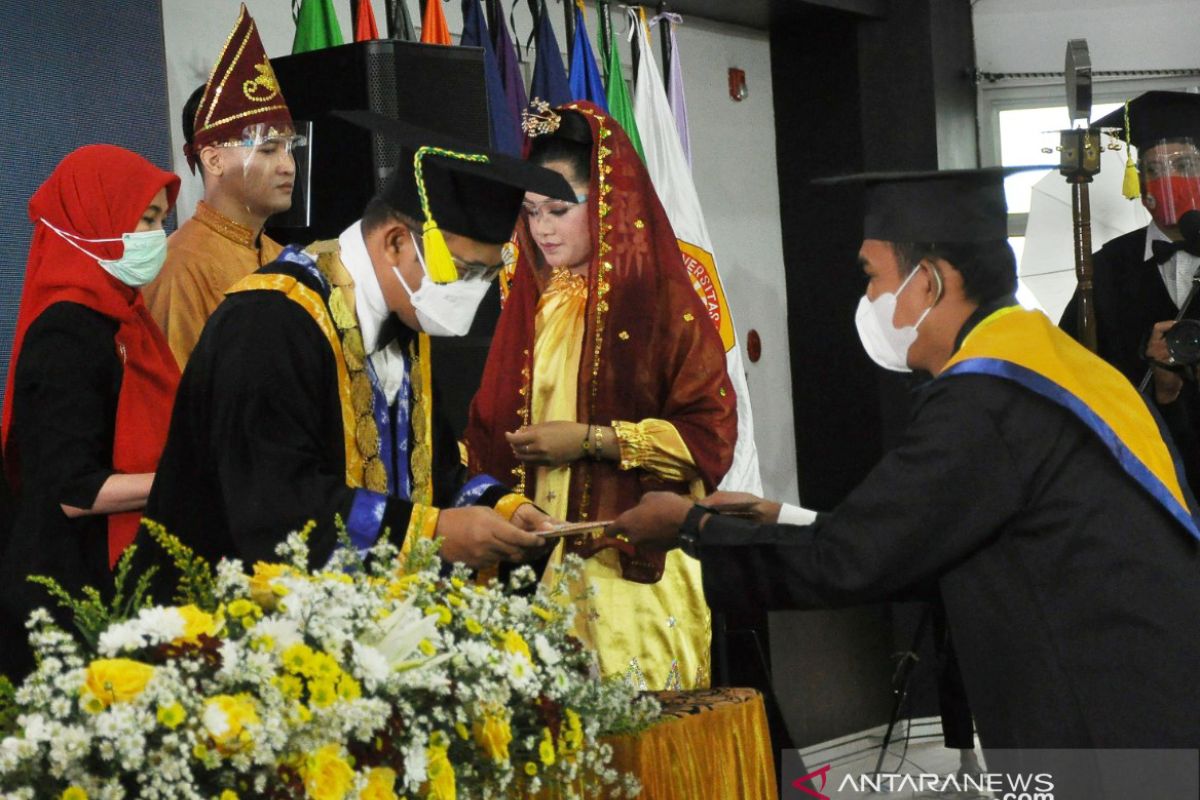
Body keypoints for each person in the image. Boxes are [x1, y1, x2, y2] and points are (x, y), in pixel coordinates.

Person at [610, 167, 1200, 749]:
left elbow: (854, 561)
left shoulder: (985, 398)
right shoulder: (1053, 363)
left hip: (1102, 719)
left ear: (929, 282)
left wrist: (689, 528)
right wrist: (781, 519)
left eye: (872, 275)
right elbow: (920, 538)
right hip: (1153, 689)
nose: (867, 297)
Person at [140, 112, 577, 581]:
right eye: (463, 271)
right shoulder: (269, 322)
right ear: (394, 243)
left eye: (488, 275)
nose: (474, 291)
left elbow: (432, 472)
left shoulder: (405, 316)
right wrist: (432, 534)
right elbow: (270, 502)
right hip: (234, 621)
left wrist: (501, 507)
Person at [464, 101, 738, 690]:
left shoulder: (660, 300)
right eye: (531, 211)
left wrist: (592, 441)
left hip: (627, 571)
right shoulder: (538, 302)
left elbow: (709, 438)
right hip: (536, 560)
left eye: (559, 211)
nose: (542, 229)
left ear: (608, 206)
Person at [0, 145, 181, 678]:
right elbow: (72, 492)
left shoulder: (124, 316)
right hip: (68, 595)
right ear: (94, 218)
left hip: (112, 580)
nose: (156, 236)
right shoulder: (67, 331)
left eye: (161, 220)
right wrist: (185, 475)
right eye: (145, 217)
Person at [1061, 91, 1200, 499]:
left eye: (1184, 165)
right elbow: (1074, 371)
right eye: (1153, 169)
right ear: (1139, 182)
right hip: (1142, 475)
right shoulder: (1105, 268)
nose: (1167, 180)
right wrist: (1154, 376)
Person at [142, 4, 295, 370]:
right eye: (269, 149)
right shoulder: (180, 267)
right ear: (213, 160)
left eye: (290, 148)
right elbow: (177, 404)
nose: (288, 165)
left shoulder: (286, 259)